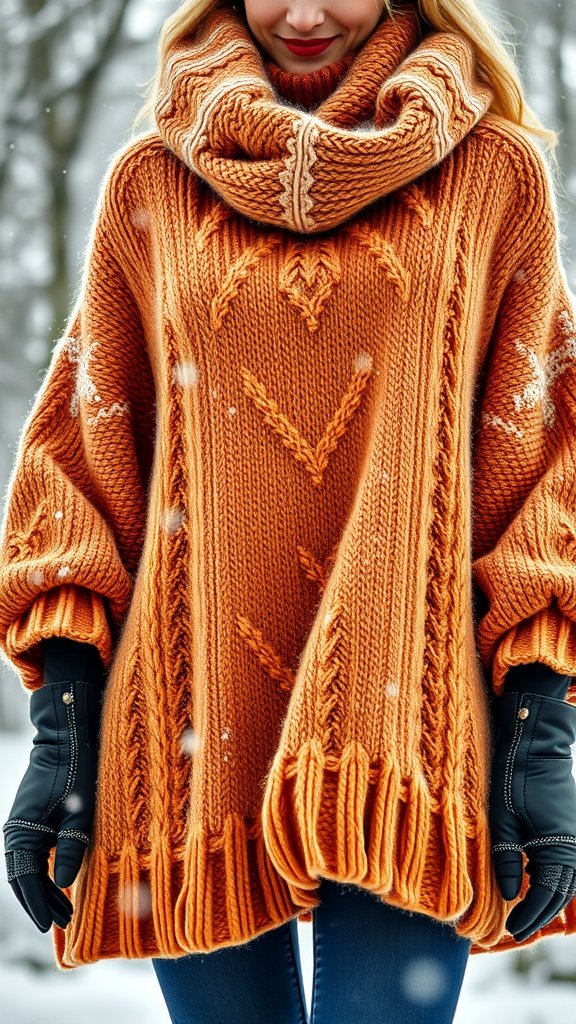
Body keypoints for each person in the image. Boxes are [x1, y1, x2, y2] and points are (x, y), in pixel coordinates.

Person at [1, 0, 576, 1021]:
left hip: (410, 734)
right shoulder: (155, 181)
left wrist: (540, 719)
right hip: (193, 729)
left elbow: (539, 458)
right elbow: (88, 452)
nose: (304, 12)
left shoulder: (492, 178)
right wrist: (65, 711)